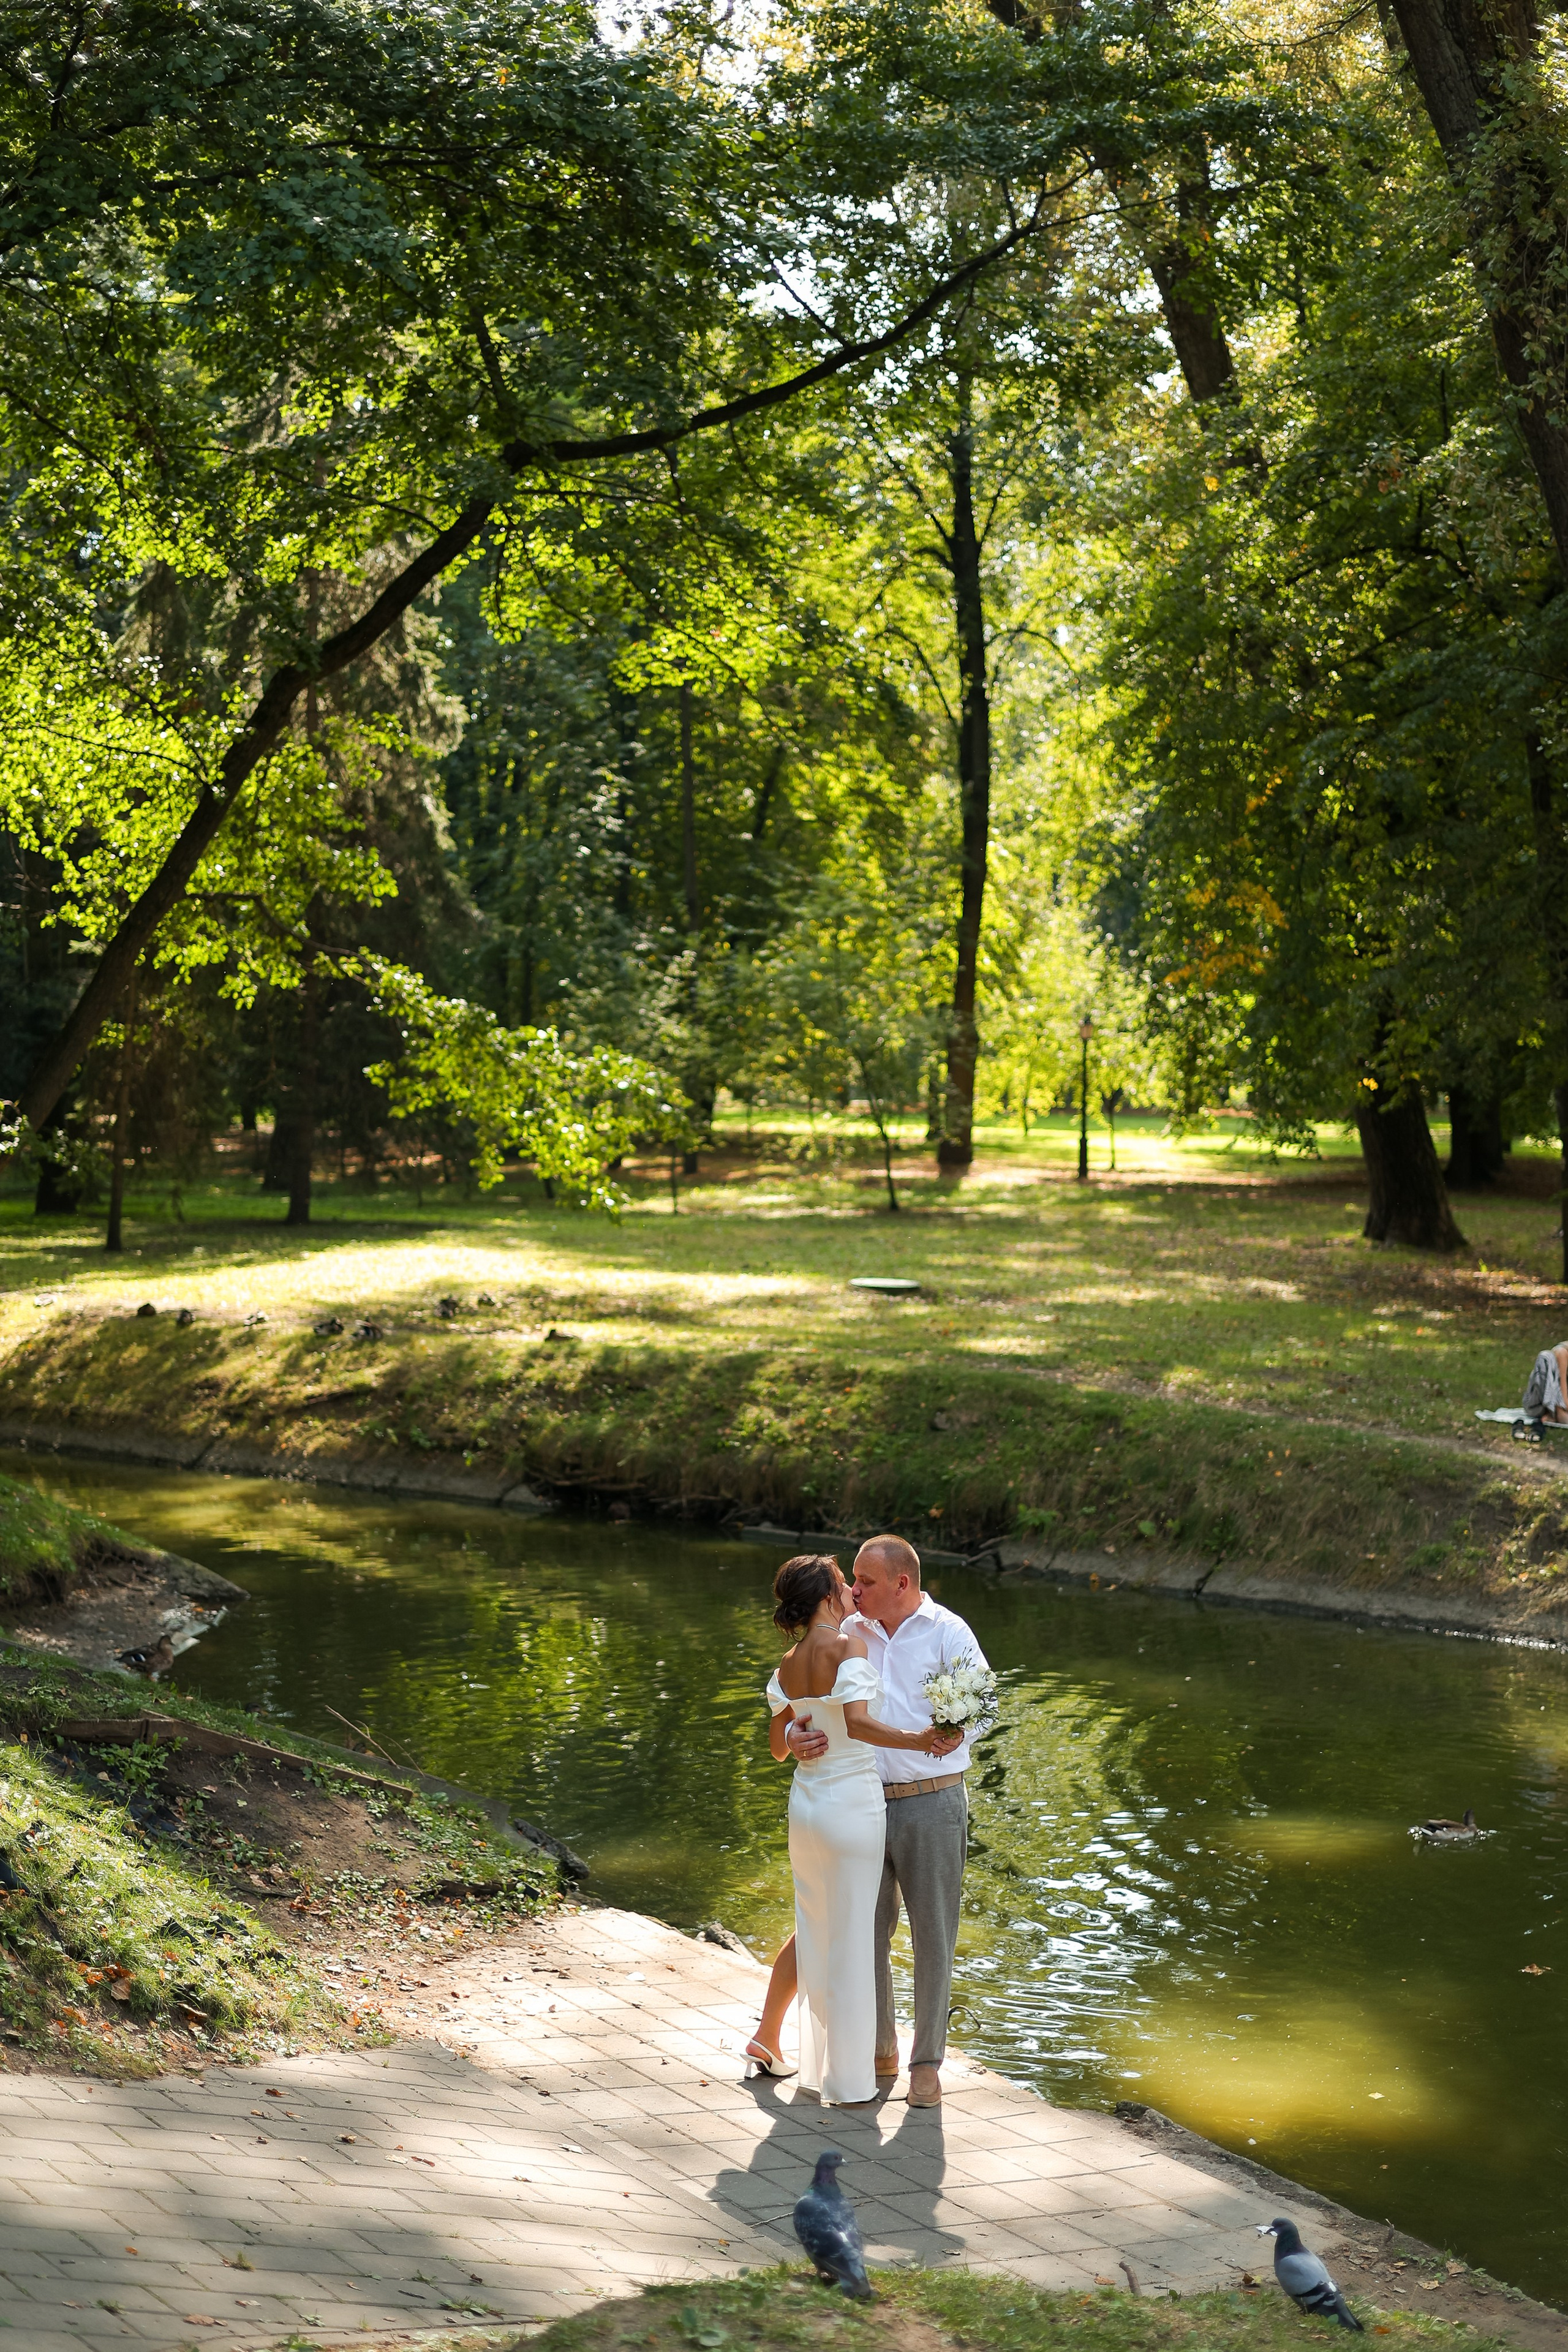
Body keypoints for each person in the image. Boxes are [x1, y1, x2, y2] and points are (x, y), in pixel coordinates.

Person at [783, 1533, 988, 2110]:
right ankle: (879, 2049)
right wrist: (799, 1735)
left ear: (903, 1583)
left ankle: (927, 2065)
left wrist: (950, 1735)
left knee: (934, 1934)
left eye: (866, 1581)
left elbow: (982, 1705)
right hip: (860, 1801)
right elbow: (806, 1706)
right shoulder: (846, 1633)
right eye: (851, 1580)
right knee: (865, 1930)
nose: (853, 1589)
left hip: (932, 1800)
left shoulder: (949, 1632)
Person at [1521, 1340, 1568, 1422]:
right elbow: (1561, 1387)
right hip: (1538, 1404)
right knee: (1546, 1356)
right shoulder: (1562, 1352)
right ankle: (1556, 1412)